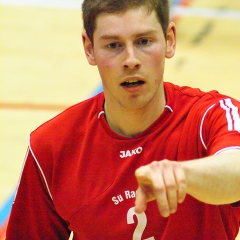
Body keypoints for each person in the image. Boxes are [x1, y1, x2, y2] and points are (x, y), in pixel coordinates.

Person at [6, 0, 240, 239]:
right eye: (114, 45)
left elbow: (236, 169)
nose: (131, 60)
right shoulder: (52, 146)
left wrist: (182, 174)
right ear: (89, 49)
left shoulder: (212, 115)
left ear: (170, 39)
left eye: (144, 42)